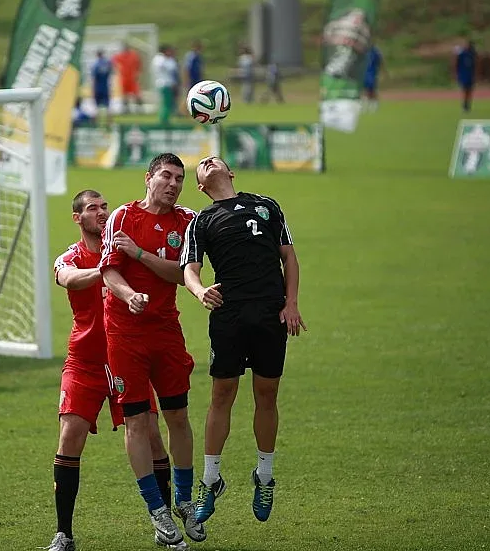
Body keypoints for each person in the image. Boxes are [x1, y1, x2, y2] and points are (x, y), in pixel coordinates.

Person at [180, 156, 307, 525]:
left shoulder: (267, 205)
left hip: (270, 314)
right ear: (200, 186)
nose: (209, 161)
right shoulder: (201, 221)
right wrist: (199, 290)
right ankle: (210, 480)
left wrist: (291, 303)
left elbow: (289, 257)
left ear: (231, 173)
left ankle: (264, 476)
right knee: (222, 395)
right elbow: (189, 269)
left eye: (215, 160)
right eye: (202, 166)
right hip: (229, 316)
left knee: (267, 394)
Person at [46, 190, 174, 551]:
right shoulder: (71, 256)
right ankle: (63, 534)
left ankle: (164, 524)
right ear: (77, 218)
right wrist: (104, 273)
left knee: (152, 436)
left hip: (127, 357)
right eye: (92, 208)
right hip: (85, 361)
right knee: (70, 436)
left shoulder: (123, 251)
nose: (101, 213)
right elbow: (68, 278)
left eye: (104, 207)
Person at [100, 153, 205, 549]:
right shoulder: (123, 217)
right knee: (137, 422)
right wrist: (129, 295)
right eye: (165, 176)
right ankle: (157, 512)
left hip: (165, 330)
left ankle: (184, 500)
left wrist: (140, 254)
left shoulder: (187, 220)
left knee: (178, 415)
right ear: (148, 178)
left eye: (179, 178)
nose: (173, 184)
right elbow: (108, 271)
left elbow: (184, 275)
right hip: (125, 333)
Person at [112, 42, 143, 114]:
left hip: (132, 78)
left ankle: (139, 108)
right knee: (125, 94)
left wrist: (138, 73)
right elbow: (113, 61)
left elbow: (139, 64)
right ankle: (126, 109)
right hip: (124, 78)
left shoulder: (133, 55)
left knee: (136, 93)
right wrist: (117, 69)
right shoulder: (120, 56)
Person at [151, 45, 178, 126]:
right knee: (166, 103)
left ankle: (164, 119)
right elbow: (169, 68)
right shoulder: (161, 59)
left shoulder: (161, 59)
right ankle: (164, 120)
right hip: (165, 84)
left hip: (165, 84)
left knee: (166, 103)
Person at [91, 49, 113, 126]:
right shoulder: (107, 64)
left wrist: (93, 90)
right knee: (108, 106)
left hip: (98, 87)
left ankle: (95, 123)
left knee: (96, 106)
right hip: (105, 87)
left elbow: (94, 79)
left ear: (97, 55)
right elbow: (110, 75)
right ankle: (109, 122)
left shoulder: (96, 65)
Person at [456, 40, 477, 112]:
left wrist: (476, 74)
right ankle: (465, 105)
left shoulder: (472, 54)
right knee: (465, 90)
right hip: (463, 75)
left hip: (470, 75)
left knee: (470, 91)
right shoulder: (461, 54)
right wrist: (456, 73)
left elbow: (475, 65)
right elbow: (456, 63)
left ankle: (468, 105)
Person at [362, 45, 383, 112]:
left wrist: (380, 72)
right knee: (364, 89)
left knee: (372, 90)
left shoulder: (375, 51)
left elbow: (380, 61)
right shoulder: (362, 50)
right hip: (363, 73)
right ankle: (365, 106)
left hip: (372, 73)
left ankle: (374, 106)